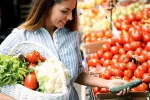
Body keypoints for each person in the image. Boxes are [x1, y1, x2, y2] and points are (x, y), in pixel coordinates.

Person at [0, 0, 130, 100]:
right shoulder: (21, 37)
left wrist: (109, 84)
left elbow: (77, 73)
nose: (70, 17)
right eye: (64, 11)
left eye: (72, 11)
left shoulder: (71, 36)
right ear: (47, 6)